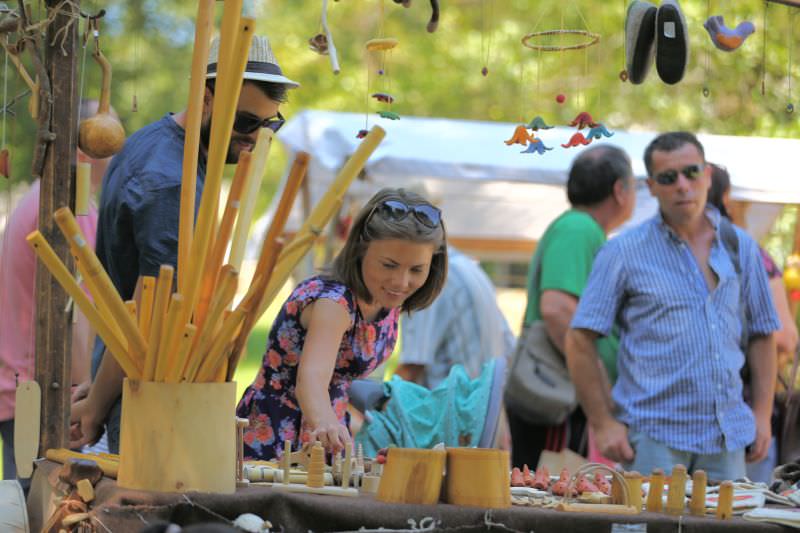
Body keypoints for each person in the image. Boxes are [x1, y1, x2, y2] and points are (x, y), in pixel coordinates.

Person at [69, 34, 299, 453]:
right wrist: (97, 406)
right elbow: (151, 312)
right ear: (207, 98)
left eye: (270, 124)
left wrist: (100, 374)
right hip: (146, 395)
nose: (256, 138)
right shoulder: (170, 182)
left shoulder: (149, 142)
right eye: (246, 122)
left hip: (130, 378)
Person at [566, 131, 780, 481]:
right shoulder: (623, 251)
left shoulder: (740, 245)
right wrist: (603, 422)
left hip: (726, 438)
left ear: (707, 175)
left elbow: (763, 333)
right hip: (652, 440)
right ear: (651, 186)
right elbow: (579, 339)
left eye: (691, 172)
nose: (682, 185)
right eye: (668, 177)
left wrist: (761, 413)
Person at [236, 188, 448, 460]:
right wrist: (327, 424)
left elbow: (344, 384)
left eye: (416, 269)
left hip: (323, 438)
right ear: (360, 250)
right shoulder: (333, 303)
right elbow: (311, 381)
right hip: (275, 439)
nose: (401, 282)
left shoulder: (385, 299)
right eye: (388, 265)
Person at [0, 99, 114, 479]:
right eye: (109, 140)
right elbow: (77, 305)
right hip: (44, 397)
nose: (118, 151)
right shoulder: (67, 207)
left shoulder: (46, 194)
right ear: (84, 147)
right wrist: (84, 392)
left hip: (23, 390)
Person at [506, 145, 637, 470]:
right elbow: (557, 309)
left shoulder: (579, 228)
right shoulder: (579, 229)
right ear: (619, 190)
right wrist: (594, 377)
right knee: (553, 497)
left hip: (566, 398)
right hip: (560, 399)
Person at [706, 162, 798, 482]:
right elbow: (786, 337)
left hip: (731, 420)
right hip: (739, 414)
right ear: (727, 198)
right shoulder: (751, 253)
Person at [394, 246, 514, 389]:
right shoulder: (467, 265)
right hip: (487, 399)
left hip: (452, 403)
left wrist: (379, 404)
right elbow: (509, 346)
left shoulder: (431, 274)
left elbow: (412, 367)